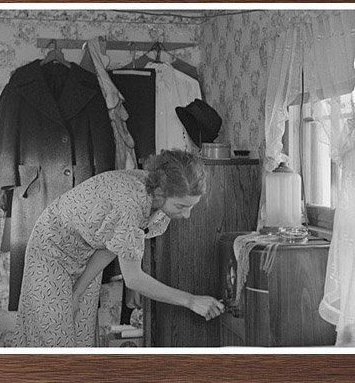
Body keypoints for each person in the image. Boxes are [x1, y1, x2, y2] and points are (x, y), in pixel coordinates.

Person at [17, 149, 224, 347]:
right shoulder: (131, 203)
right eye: (181, 206)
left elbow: (112, 244)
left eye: (191, 207)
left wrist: (78, 291)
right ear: (161, 192)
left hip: (86, 252)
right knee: (54, 337)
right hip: (52, 249)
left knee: (80, 335)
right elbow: (133, 278)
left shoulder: (158, 195)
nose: (186, 215)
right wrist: (191, 301)